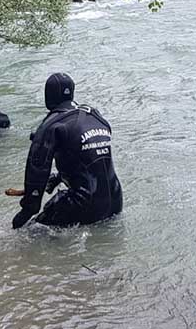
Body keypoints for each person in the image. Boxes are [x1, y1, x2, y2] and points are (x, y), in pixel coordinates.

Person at [12, 73, 123, 228]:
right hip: (116, 201)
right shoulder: (95, 116)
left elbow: (36, 171)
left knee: (32, 231)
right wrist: (58, 178)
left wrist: (26, 212)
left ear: (48, 96)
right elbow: (90, 159)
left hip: (84, 205)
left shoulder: (51, 125)